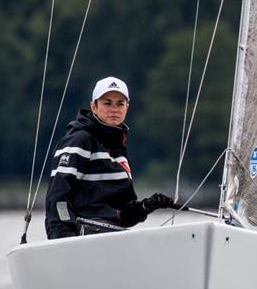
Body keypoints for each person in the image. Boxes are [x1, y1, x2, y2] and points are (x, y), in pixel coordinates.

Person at [45, 76, 173, 239]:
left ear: (127, 107)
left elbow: (122, 216)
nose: (114, 109)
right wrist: (64, 237)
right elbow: (57, 196)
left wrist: (147, 206)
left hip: (110, 237)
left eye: (120, 103)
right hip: (81, 238)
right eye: (107, 103)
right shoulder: (80, 140)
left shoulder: (118, 150)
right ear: (94, 106)